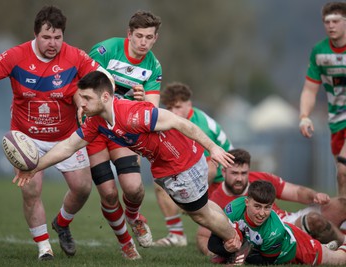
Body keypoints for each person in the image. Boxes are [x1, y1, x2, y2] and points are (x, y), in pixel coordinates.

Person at [13, 71, 243, 261]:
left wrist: (212, 148)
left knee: (200, 214)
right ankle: (234, 239)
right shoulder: (98, 121)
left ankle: (236, 245)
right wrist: (35, 167)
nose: (81, 103)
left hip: (179, 164)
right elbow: (68, 146)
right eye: (80, 97)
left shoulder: (132, 114)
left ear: (104, 97)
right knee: (203, 209)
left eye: (86, 98)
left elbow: (179, 122)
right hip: (169, 166)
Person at [0, 6, 113, 261]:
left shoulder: (75, 56)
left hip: (67, 136)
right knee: (31, 190)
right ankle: (44, 248)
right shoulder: (16, 55)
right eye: (47, 37)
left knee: (82, 188)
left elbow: (103, 78)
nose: (53, 43)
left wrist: (102, 97)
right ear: (35, 34)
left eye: (58, 37)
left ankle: (62, 223)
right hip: (26, 139)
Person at [84, 11, 162, 259]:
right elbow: (85, 89)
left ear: (155, 38)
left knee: (134, 189)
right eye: (139, 36)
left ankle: (134, 216)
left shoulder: (153, 65)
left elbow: (152, 111)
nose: (143, 42)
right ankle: (126, 243)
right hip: (96, 128)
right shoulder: (106, 51)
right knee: (108, 193)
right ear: (129, 34)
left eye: (149, 37)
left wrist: (140, 102)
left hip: (121, 130)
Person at [196, 148, 346, 255]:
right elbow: (203, 234)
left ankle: (334, 242)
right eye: (234, 173)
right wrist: (215, 254)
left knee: (341, 204)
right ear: (223, 172)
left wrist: (316, 195)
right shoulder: (217, 199)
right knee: (314, 220)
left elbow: (296, 192)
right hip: (276, 234)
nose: (240, 178)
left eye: (244, 173)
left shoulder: (261, 177)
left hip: (288, 218)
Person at [152, 82, 233, 247]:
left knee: (206, 236)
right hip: (201, 175)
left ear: (189, 103)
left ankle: (235, 240)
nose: (173, 112)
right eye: (169, 108)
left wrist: (194, 197)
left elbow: (211, 168)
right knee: (160, 185)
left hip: (222, 181)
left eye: (178, 106)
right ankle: (176, 235)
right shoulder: (175, 121)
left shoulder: (200, 125)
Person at [208, 180, 346, 265]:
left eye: (267, 207)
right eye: (257, 206)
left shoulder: (275, 231)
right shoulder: (234, 208)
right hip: (282, 237)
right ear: (246, 202)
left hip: (298, 247)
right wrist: (227, 250)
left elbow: (266, 262)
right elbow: (212, 242)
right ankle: (327, 246)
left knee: (339, 260)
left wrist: (237, 252)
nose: (262, 213)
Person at [299, 2, 346, 196]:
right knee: (341, 177)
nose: (331, 26)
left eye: (335, 21)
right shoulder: (319, 52)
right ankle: (343, 223)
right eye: (327, 22)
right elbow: (310, 90)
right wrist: (304, 116)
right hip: (336, 120)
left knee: (344, 169)